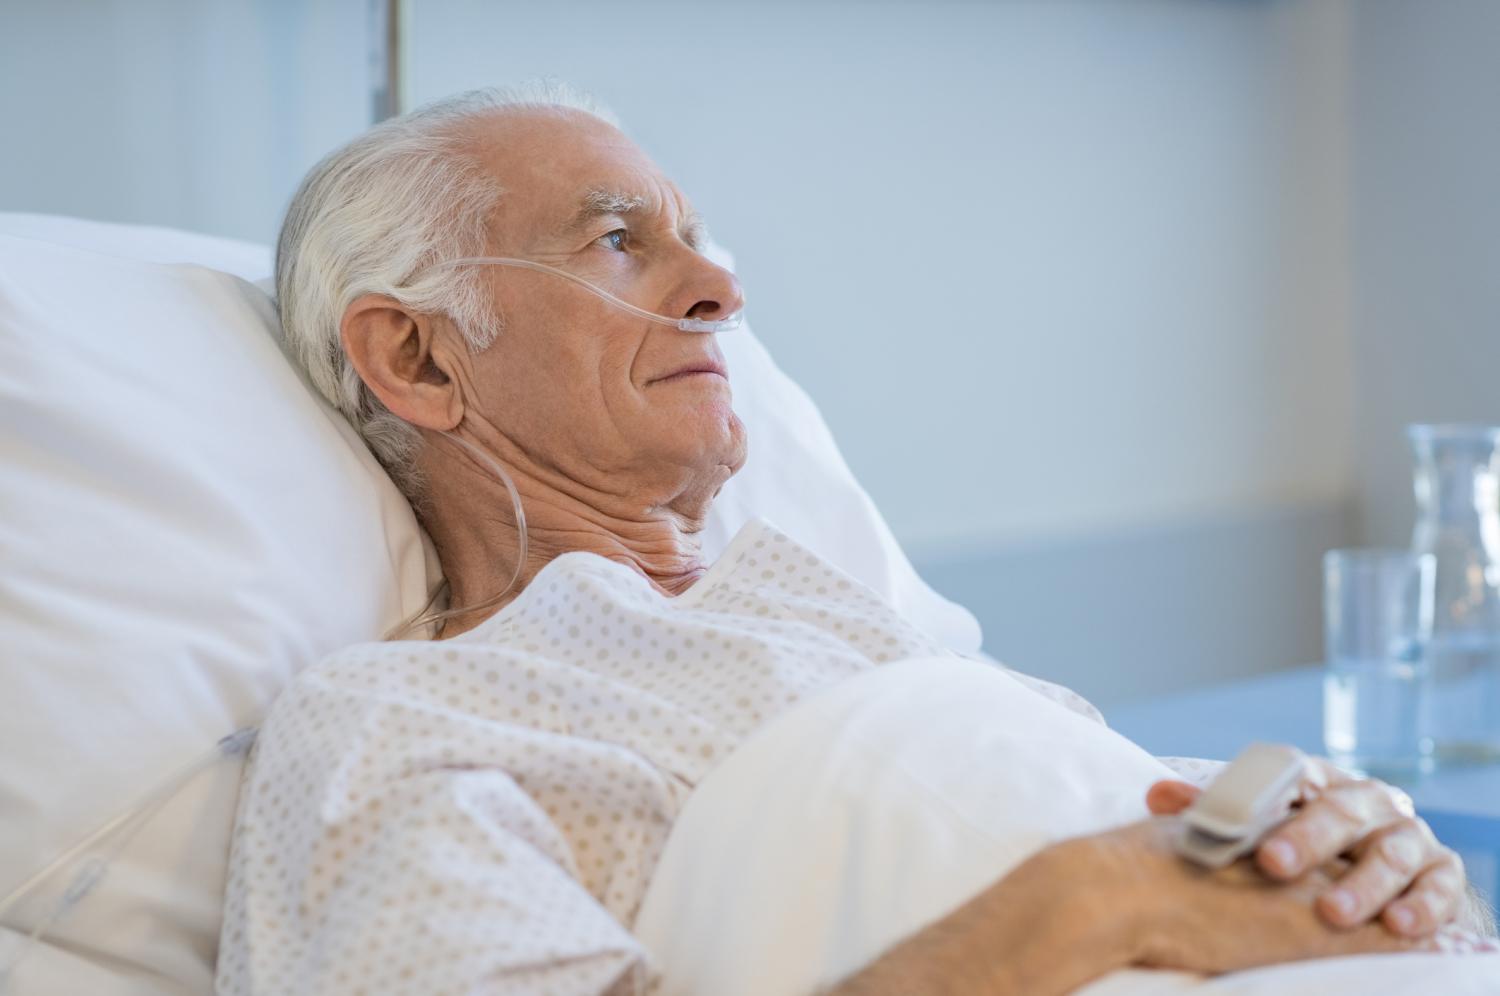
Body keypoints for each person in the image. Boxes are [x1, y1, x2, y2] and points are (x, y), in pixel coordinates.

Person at [216, 83, 1489, 996]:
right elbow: (1096, 877)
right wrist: (1094, 906)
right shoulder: (399, 724)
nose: (722, 288)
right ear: (418, 356)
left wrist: (1367, 861)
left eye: (693, 239)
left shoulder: (834, 621)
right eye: (617, 241)